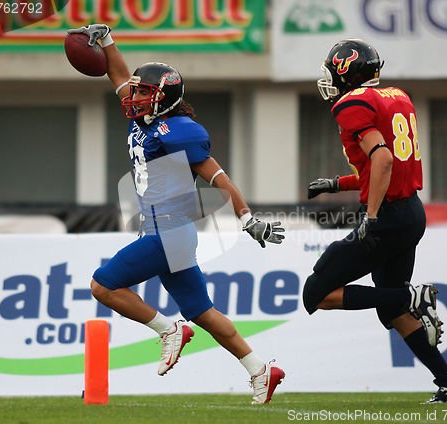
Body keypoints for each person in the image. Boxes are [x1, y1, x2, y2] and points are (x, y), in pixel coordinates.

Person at [67, 24, 285, 405]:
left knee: (103, 285)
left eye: (144, 92)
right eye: (137, 90)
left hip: (166, 233)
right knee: (203, 312)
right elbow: (118, 74)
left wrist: (247, 218)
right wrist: (106, 42)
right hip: (171, 234)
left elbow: (219, 177)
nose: (133, 95)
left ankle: (168, 330)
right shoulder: (143, 119)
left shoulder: (179, 130)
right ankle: (260, 370)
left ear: (163, 99)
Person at [303, 38, 447, 403]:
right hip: (410, 211)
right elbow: (386, 164)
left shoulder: (351, 104)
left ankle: (413, 295)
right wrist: (338, 183)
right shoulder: (395, 95)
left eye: (332, 72)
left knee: (315, 294)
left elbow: (382, 160)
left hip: (390, 218)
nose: (329, 79)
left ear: (346, 72)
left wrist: (372, 216)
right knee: (393, 311)